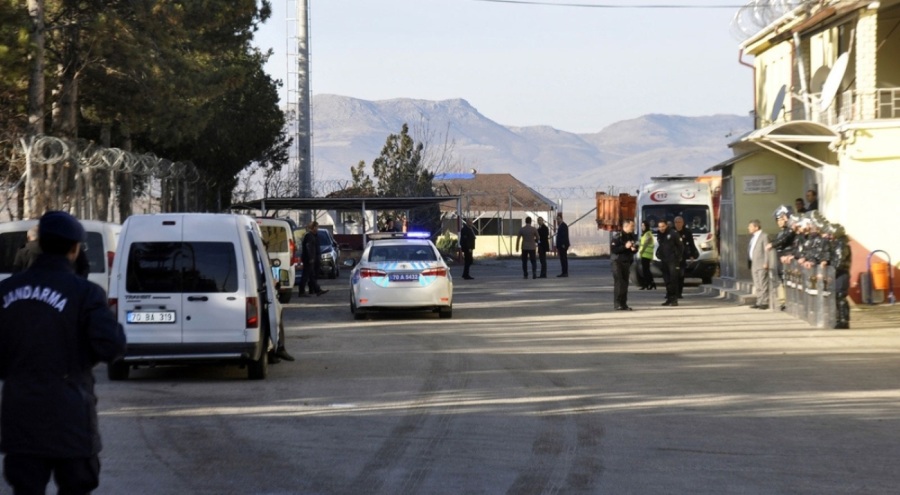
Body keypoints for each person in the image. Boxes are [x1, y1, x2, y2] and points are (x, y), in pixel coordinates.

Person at [0, 211, 127, 495]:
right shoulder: (85, 293)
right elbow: (112, 345)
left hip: (20, 417)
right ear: (75, 249)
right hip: (70, 417)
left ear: (40, 244)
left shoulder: (6, 291)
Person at [766, 205, 795, 311]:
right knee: (782, 281)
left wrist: (772, 245)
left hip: (787, 260)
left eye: (781, 219)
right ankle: (784, 302)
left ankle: (789, 302)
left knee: (788, 281)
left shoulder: (790, 230)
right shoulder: (781, 232)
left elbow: (784, 239)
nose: (778, 222)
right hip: (780, 260)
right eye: (777, 220)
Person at [610, 219, 638, 310]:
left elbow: (634, 248)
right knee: (619, 283)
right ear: (625, 226)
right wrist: (624, 247)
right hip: (617, 262)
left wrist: (634, 249)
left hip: (627, 262)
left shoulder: (631, 236)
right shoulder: (618, 236)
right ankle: (617, 304)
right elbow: (614, 250)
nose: (633, 228)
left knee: (625, 283)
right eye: (632, 226)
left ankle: (623, 303)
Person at [656, 219, 683, 306]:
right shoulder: (659, 234)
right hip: (664, 260)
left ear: (666, 226)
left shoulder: (673, 233)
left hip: (673, 260)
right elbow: (661, 246)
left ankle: (674, 299)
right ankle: (669, 298)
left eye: (663, 226)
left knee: (673, 280)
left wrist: (677, 257)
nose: (661, 228)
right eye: (659, 227)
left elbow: (680, 246)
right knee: (667, 280)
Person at [748, 219, 773, 310]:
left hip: (761, 263)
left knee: (763, 283)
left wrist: (766, 262)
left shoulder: (764, 236)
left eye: (750, 226)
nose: (749, 228)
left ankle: (764, 302)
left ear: (756, 227)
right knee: (757, 283)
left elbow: (767, 251)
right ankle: (759, 301)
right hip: (754, 263)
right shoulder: (753, 237)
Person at [298, 221, 328, 297]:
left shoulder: (313, 236)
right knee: (306, 275)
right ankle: (302, 292)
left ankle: (317, 290)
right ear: (313, 227)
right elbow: (308, 247)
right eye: (317, 227)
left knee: (312, 276)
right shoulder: (309, 236)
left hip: (311, 259)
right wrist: (311, 258)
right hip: (309, 259)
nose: (318, 228)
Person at [673, 216, 699, 299]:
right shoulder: (671, 231)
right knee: (672, 275)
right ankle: (671, 293)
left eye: (679, 222)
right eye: (676, 222)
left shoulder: (687, 232)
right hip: (672, 257)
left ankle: (679, 293)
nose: (678, 224)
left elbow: (691, 244)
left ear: (683, 223)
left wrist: (692, 255)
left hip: (682, 256)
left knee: (681, 275)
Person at [637, 220, 656, 290]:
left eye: (643, 226)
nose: (642, 227)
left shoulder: (648, 234)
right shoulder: (645, 234)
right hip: (644, 254)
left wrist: (641, 251)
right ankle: (650, 283)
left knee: (646, 270)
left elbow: (645, 243)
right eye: (641, 226)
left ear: (647, 226)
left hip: (646, 255)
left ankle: (647, 283)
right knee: (646, 270)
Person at [555, 212, 569, 277]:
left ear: (561, 219)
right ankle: (564, 272)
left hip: (563, 245)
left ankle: (565, 272)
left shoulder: (563, 226)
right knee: (562, 259)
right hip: (561, 245)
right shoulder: (560, 226)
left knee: (564, 259)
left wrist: (563, 244)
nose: (558, 220)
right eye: (557, 219)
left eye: (558, 219)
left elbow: (564, 236)